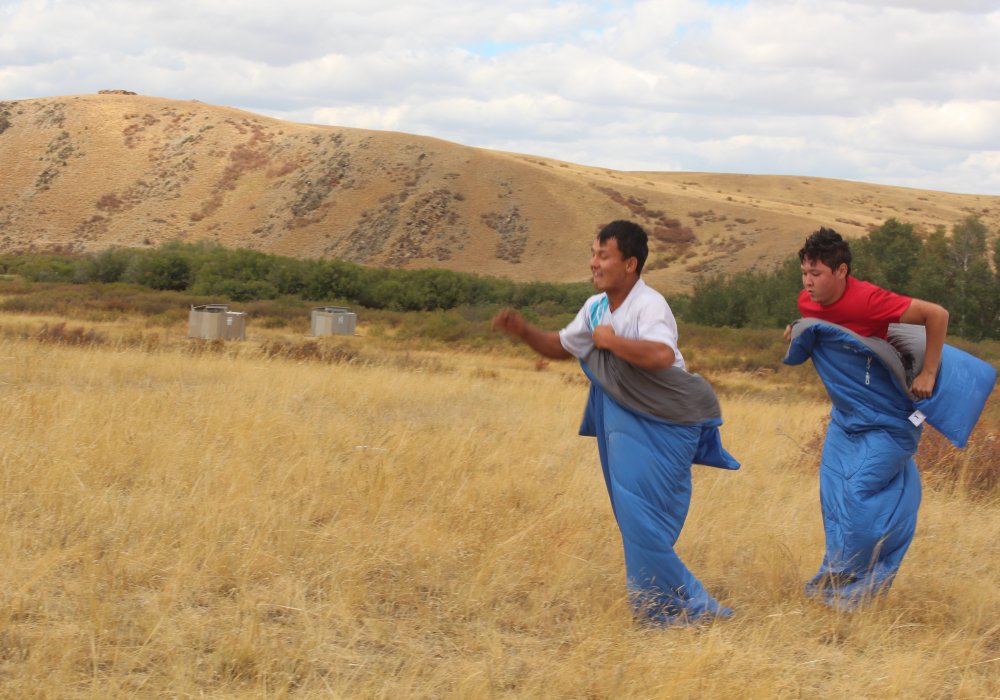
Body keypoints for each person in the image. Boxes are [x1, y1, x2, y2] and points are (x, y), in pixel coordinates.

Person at [493, 220, 739, 626]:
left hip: (669, 420)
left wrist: (611, 343)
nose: (593, 263)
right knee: (635, 515)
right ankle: (659, 612)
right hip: (627, 419)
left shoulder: (649, 305)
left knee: (645, 517)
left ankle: (696, 609)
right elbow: (560, 346)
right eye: (592, 254)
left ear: (630, 264)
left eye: (602, 255)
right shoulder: (594, 309)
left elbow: (661, 355)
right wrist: (524, 332)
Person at [783, 227, 954, 609]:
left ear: (841, 271)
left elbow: (936, 314)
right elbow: (821, 327)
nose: (808, 283)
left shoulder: (870, 300)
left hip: (891, 418)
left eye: (817, 274)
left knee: (858, 490)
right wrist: (797, 328)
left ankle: (858, 586)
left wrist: (928, 372)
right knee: (833, 495)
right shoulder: (807, 301)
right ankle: (837, 578)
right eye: (804, 274)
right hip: (847, 419)